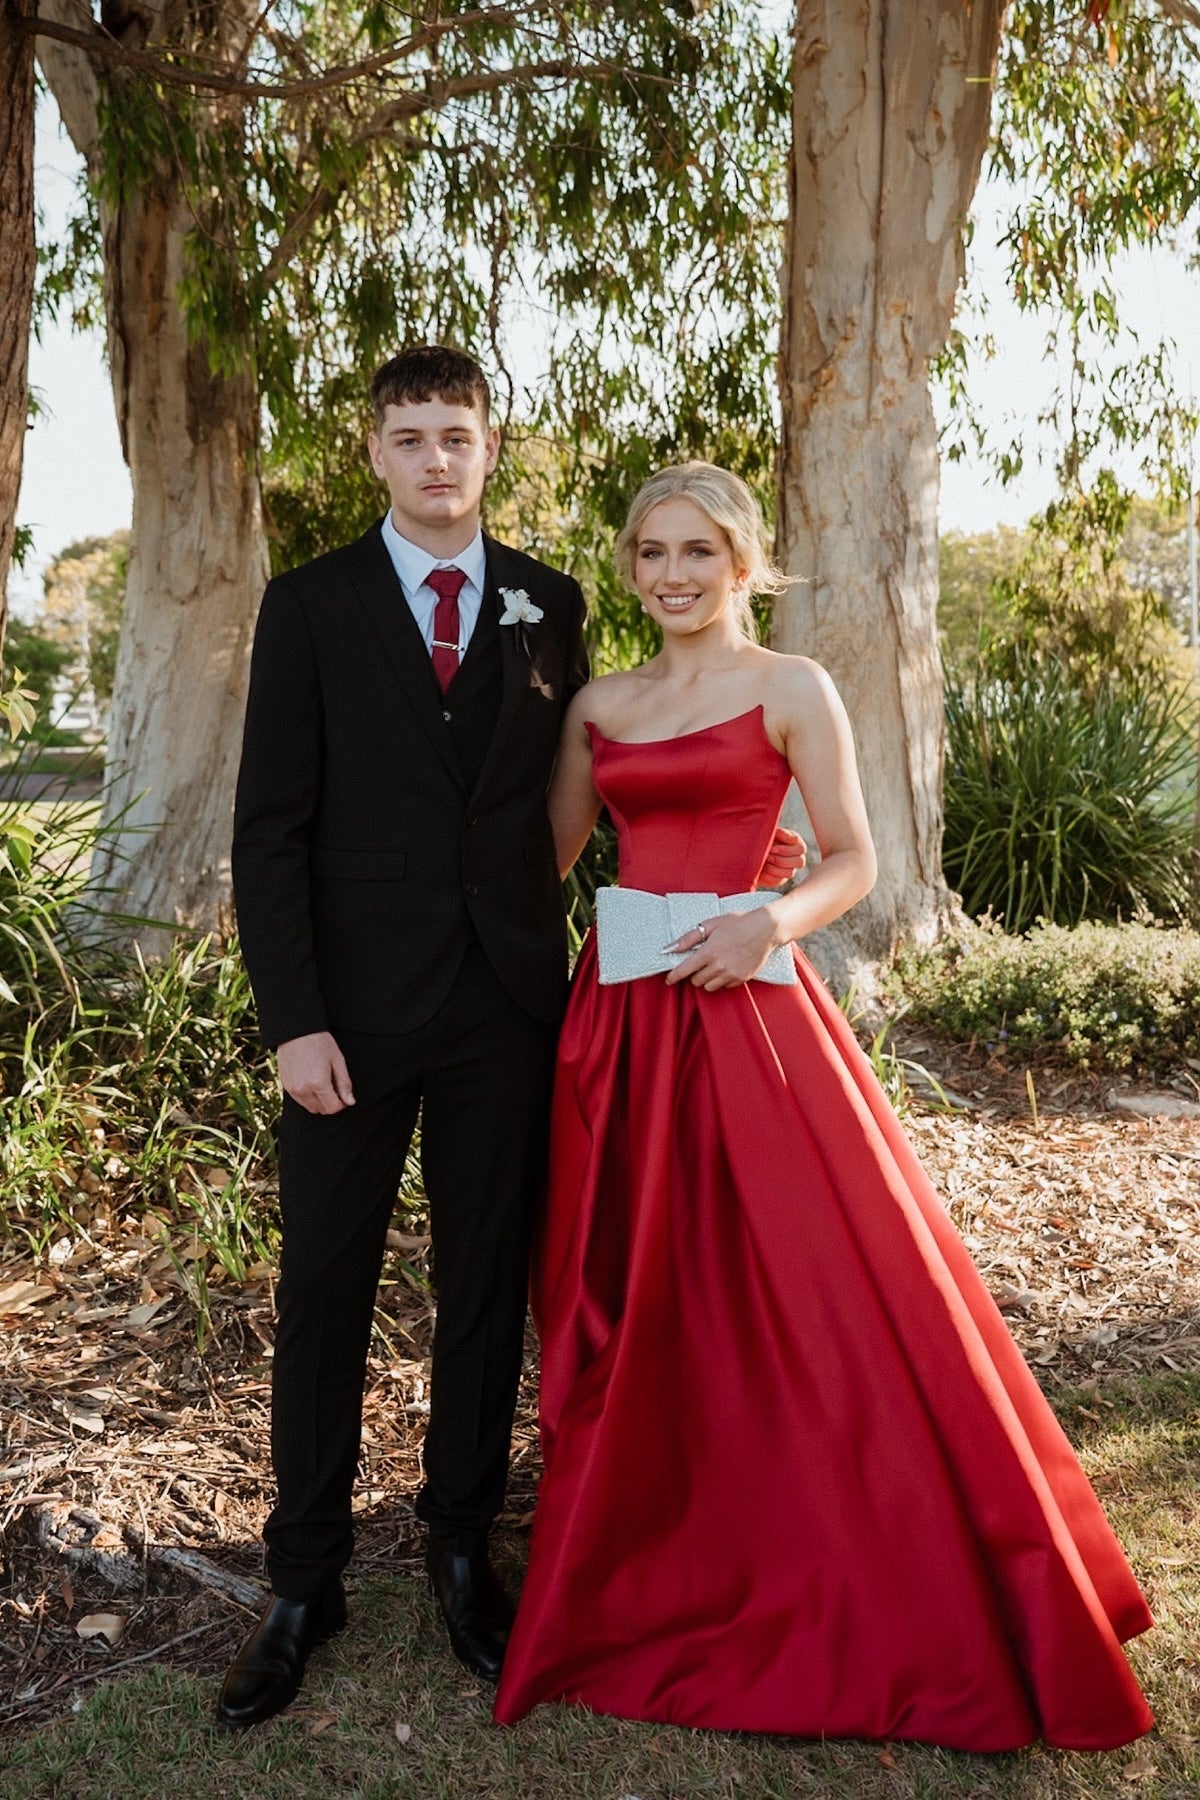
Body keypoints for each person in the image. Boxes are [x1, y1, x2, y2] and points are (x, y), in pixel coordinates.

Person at [493, 462, 1154, 1751]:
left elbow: (855, 859)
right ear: (629, 567)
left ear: (746, 562)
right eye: (650, 554)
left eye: (698, 552)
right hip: (619, 1027)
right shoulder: (598, 704)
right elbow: (542, 865)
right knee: (631, 1283)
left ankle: (839, 1525)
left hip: (749, 1015)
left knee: (806, 1282)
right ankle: (654, 1531)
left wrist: (769, 923)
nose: (672, 575)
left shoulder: (794, 687)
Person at [220, 355, 802, 1728]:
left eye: (458, 439)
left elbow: (593, 799)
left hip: (509, 1011)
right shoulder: (307, 609)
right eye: (410, 438)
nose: (435, 461)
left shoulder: (555, 604)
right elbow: (269, 833)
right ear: (373, 453)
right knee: (323, 1292)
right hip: (349, 1027)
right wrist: (293, 1022)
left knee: (485, 1295)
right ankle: (304, 1581)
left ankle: (462, 1551)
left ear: (490, 451)